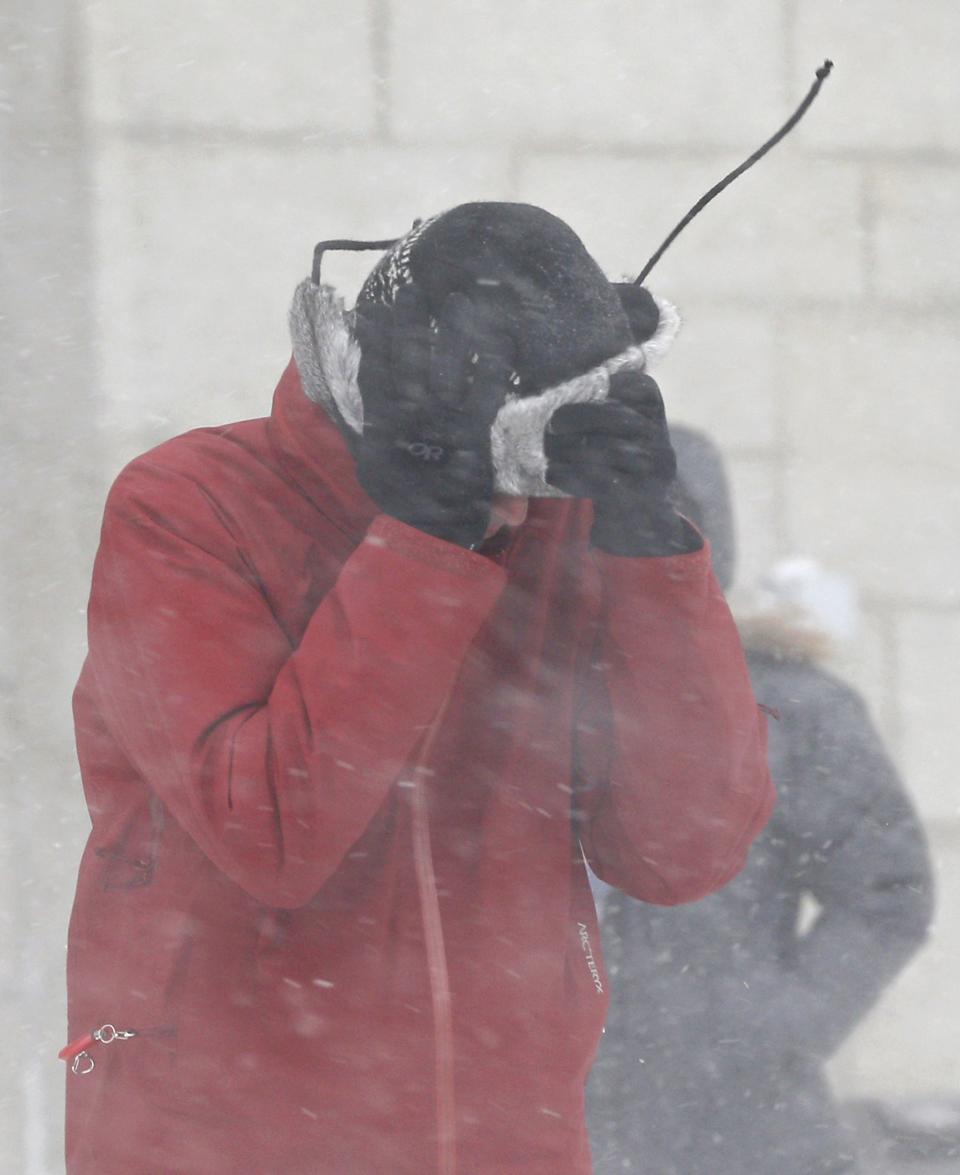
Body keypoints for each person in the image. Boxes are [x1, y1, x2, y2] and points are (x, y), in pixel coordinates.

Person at [64, 203, 773, 1174]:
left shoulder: (558, 527)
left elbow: (682, 849)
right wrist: (430, 542)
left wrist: (656, 553)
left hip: (507, 1131)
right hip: (222, 1131)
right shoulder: (189, 503)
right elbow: (271, 826)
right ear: (360, 367)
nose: (520, 469)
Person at [587, 426, 934, 1175]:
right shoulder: (517, 699)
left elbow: (886, 891)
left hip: (740, 1131)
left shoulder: (788, 709)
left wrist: (776, 1026)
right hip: (543, 1120)